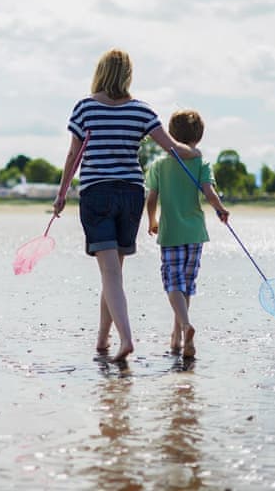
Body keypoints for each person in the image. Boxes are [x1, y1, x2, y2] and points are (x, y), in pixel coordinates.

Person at [53, 49, 201, 363]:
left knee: (110, 273)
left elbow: (73, 156)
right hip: (131, 193)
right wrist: (194, 153)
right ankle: (102, 339)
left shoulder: (85, 107)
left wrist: (61, 193)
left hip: (98, 193)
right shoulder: (141, 111)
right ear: (128, 75)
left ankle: (125, 339)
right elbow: (173, 148)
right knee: (114, 273)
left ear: (101, 72)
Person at [146, 109, 229, 359]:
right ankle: (178, 338)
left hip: (171, 232)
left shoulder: (159, 165)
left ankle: (183, 326)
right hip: (195, 232)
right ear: (199, 136)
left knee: (173, 283)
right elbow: (209, 193)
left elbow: (151, 198)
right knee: (186, 285)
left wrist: (152, 220)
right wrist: (221, 210)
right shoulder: (201, 163)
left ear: (171, 135)